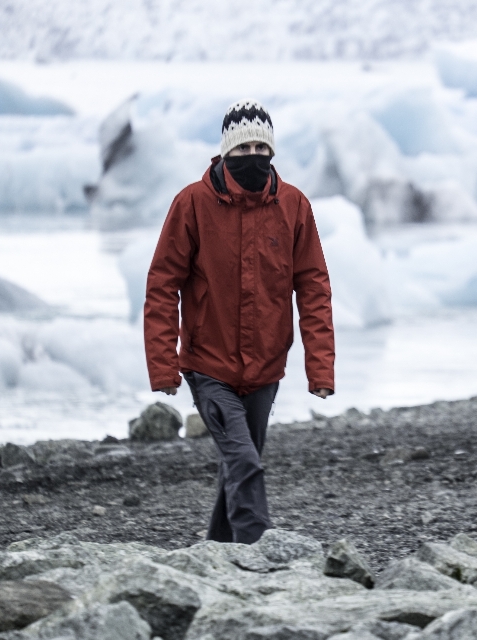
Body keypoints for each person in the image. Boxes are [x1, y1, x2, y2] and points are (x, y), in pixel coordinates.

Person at [144, 100, 334, 545]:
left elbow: (314, 289)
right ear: (227, 150)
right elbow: (161, 285)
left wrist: (320, 370)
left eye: (260, 146)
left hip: (266, 369)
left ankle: (216, 554)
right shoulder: (191, 204)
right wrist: (164, 367)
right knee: (245, 462)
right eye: (243, 146)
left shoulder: (293, 206)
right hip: (209, 367)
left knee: (239, 463)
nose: (253, 154)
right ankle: (258, 556)